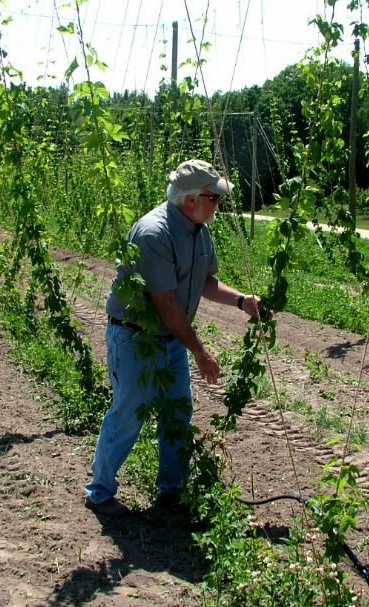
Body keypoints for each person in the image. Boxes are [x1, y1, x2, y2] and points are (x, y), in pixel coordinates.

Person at [84, 159, 261, 516]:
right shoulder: (154, 234)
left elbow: (205, 282)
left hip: (170, 340)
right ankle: (99, 491)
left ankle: (172, 490)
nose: (218, 205)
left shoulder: (200, 229)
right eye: (214, 198)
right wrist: (200, 351)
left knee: (178, 412)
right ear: (191, 199)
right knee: (129, 413)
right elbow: (165, 303)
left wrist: (242, 301)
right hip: (135, 338)